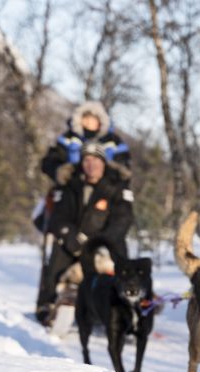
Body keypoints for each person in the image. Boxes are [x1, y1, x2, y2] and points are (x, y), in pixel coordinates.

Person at [34, 102, 131, 322]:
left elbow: (124, 215)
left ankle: (126, 307)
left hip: (105, 201)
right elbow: (50, 162)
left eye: (93, 119)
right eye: (85, 118)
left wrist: (116, 174)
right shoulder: (68, 139)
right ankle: (47, 303)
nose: (89, 123)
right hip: (71, 191)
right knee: (58, 247)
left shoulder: (113, 143)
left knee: (118, 249)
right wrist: (62, 171)